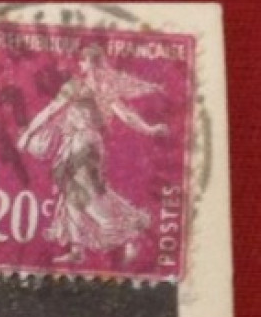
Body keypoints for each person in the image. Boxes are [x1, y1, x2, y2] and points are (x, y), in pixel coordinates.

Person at [17, 44, 168, 265]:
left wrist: (29, 133)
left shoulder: (76, 86)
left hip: (81, 142)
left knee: (86, 193)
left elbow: (51, 111)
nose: (80, 64)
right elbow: (126, 115)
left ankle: (129, 235)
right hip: (85, 142)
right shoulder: (104, 89)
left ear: (89, 64)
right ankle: (78, 249)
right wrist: (149, 129)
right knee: (73, 192)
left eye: (83, 61)